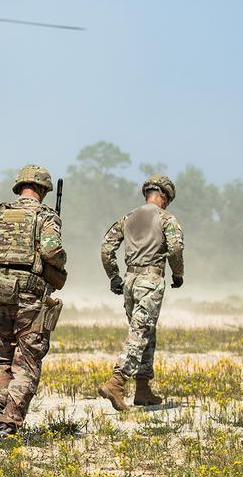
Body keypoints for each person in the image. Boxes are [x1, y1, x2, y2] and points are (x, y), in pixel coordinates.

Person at [0, 165, 67, 441]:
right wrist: (57, 265)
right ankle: (9, 423)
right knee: (28, 361)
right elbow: (52, 250)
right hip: (30, 297)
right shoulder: (45, 216)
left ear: (19, 187)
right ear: (43, 189)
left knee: (1, 357)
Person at [98, 174, 184, 411]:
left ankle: (143, 389)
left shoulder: (128, 218)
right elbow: (176, 248)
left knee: (146, 332)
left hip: (130, 281)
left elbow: (107, 247)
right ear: (164, 196)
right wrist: (178, 273)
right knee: (140, 333)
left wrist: (114, 276)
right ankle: (117, 382)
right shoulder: (166, 218)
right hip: (151, 279)